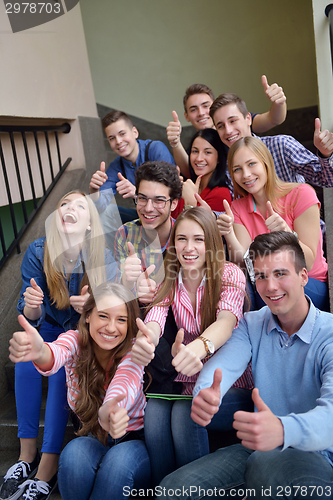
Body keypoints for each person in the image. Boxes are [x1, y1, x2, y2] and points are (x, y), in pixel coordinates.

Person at [160, 231, 333, 500]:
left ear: (303, 276)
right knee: (171, 490)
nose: (270, 287)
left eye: (280, 273)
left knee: (264, 465)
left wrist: (283, 430)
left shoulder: (329, 335)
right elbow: (224, 365)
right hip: (259, 447)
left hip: (317, 453)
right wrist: (206, 392)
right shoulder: (253, 323)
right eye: (261, 277)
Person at [0, 191, 117, 500]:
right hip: (50, 327)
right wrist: (32, 305)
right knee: (27, 357)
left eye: (80, 205)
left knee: (58, 368)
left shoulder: (102, 256)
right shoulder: (39, 251)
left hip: (82, 333)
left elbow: (114, 314)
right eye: (64, 203)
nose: (69, 208)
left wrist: (91, 307)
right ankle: (26, 457)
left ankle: (48, 464)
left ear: (90, 224)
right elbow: (32, 316)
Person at [131, 207, 252, 486]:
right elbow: (156, 316)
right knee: (156, 416)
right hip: (184, 377)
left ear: (210, 242)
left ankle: (192, 490)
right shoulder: (170, 275)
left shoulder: (229, 274)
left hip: (227, 384)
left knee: (185, 414)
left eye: (198, 239)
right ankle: (163, 489)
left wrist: (199, 347)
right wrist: (146, 337)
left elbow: (225, 321)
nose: (188, 247)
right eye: (181, 239)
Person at [8, 282, 151, 500]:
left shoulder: (133, 351)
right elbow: (57, 352)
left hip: (132, 441)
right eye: (103, 316)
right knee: (72, 457)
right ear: (87, 316)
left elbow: (125, 382)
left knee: (116, 468)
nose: (111, 327)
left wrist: (109, 410)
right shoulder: (75, 340)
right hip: (91, 435)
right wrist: (40, 352)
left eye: (121, 319)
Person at [217, 136, 329, 311]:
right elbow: (244, 264)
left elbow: (308, 261)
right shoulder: (237, 207)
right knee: (240, 289)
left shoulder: (302, 194)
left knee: (270, 290)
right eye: (237, 169)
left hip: (309, 282)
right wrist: (228, 233)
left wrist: (288, 235)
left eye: (252, 164)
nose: (246, 174)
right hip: (265, 284)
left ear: (266, 163)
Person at [167, 77, 287, 177]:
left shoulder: (238, 124)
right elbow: (191, 172)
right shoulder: (197, 144)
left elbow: (274, 119)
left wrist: (279, 102)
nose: (201, 113)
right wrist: (175, 142)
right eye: (193, 109)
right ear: (187, 116)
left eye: (206, 106)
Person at [209, 92, 333, 189]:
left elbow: (328, 180)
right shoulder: (227, 167)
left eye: (233, 121)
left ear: (248, 119)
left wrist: (326, 154)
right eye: (220, 126)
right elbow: (234, 209)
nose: (228, 130)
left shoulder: (281, 145)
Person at [89, 110, 175, 243]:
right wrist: (94, 191)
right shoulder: (116, 166)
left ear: (134, 132)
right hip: (144, 215)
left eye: (122, 134)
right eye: (112, 138)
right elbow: (100, 206)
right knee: (106, 212)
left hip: (167, 215)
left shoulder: (155, 149)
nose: (118, 141)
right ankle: (117, 257)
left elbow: (170, 192)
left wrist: (137, 193)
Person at [114, 160, 182, 303]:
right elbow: (119, 297)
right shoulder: (124, 234)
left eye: (159, 200)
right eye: (143, 198)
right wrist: (129, 283)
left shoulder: (185, 237)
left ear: (174, 204)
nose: (148, 208)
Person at [171, 128, 231, 218]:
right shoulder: (187, 186)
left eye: (207, 152)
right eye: (195, 151)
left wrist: (190, 203)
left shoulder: (221, 194)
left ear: (219, 158)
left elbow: (197, 229)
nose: (199, 158)